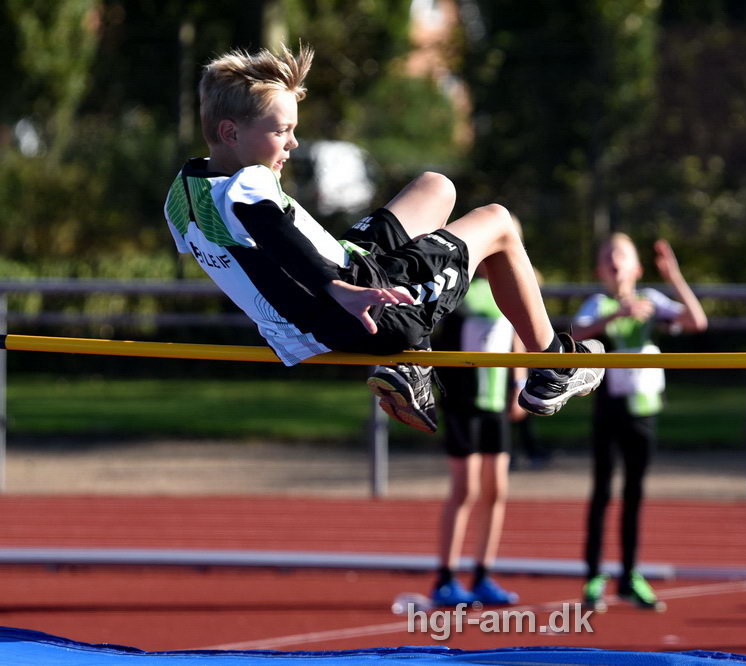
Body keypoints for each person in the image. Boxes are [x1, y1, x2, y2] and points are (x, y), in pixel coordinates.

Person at [163, 45, 605, 440]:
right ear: (230, 133)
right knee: (498, 223)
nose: (293, 143)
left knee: (436, 187)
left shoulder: (182, 197)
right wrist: (336, 287)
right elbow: (272, 232)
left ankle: (414, 361)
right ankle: (554, 366)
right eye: (281, 131)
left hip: (336, 289)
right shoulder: (249, 184)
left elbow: (248, 262)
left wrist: (319, 294)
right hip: (370, 305)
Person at [572, 233, 707, 611]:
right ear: (600, 270)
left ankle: (630, 575)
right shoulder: (597, 303)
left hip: (643, 409)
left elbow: (696, 321)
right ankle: (594, 576)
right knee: (602, 493)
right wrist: (617, 314)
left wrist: (673, 276)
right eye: (607, 256)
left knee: (634, 494)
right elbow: (575, 333)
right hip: (608, 408)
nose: (614, 261)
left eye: (622, 255)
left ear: (636, 267)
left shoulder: (651, 300)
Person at [431, 271, 524, 606]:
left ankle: (483, 574)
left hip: (496, 400)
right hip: (462, 400)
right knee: (465, 489)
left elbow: (517, 331)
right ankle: (446, 577)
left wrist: (519, 382)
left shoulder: (512, 283)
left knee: (496, 488)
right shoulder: (459, 284)